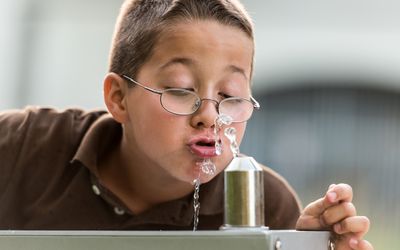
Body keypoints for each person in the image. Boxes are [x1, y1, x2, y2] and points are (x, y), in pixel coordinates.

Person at [0, 0, 372, 249]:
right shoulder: (21, 148)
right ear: (118, 97)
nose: (210, 115)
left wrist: (299, 244)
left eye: (229, 94)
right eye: (181, 89)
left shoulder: (267, 207)